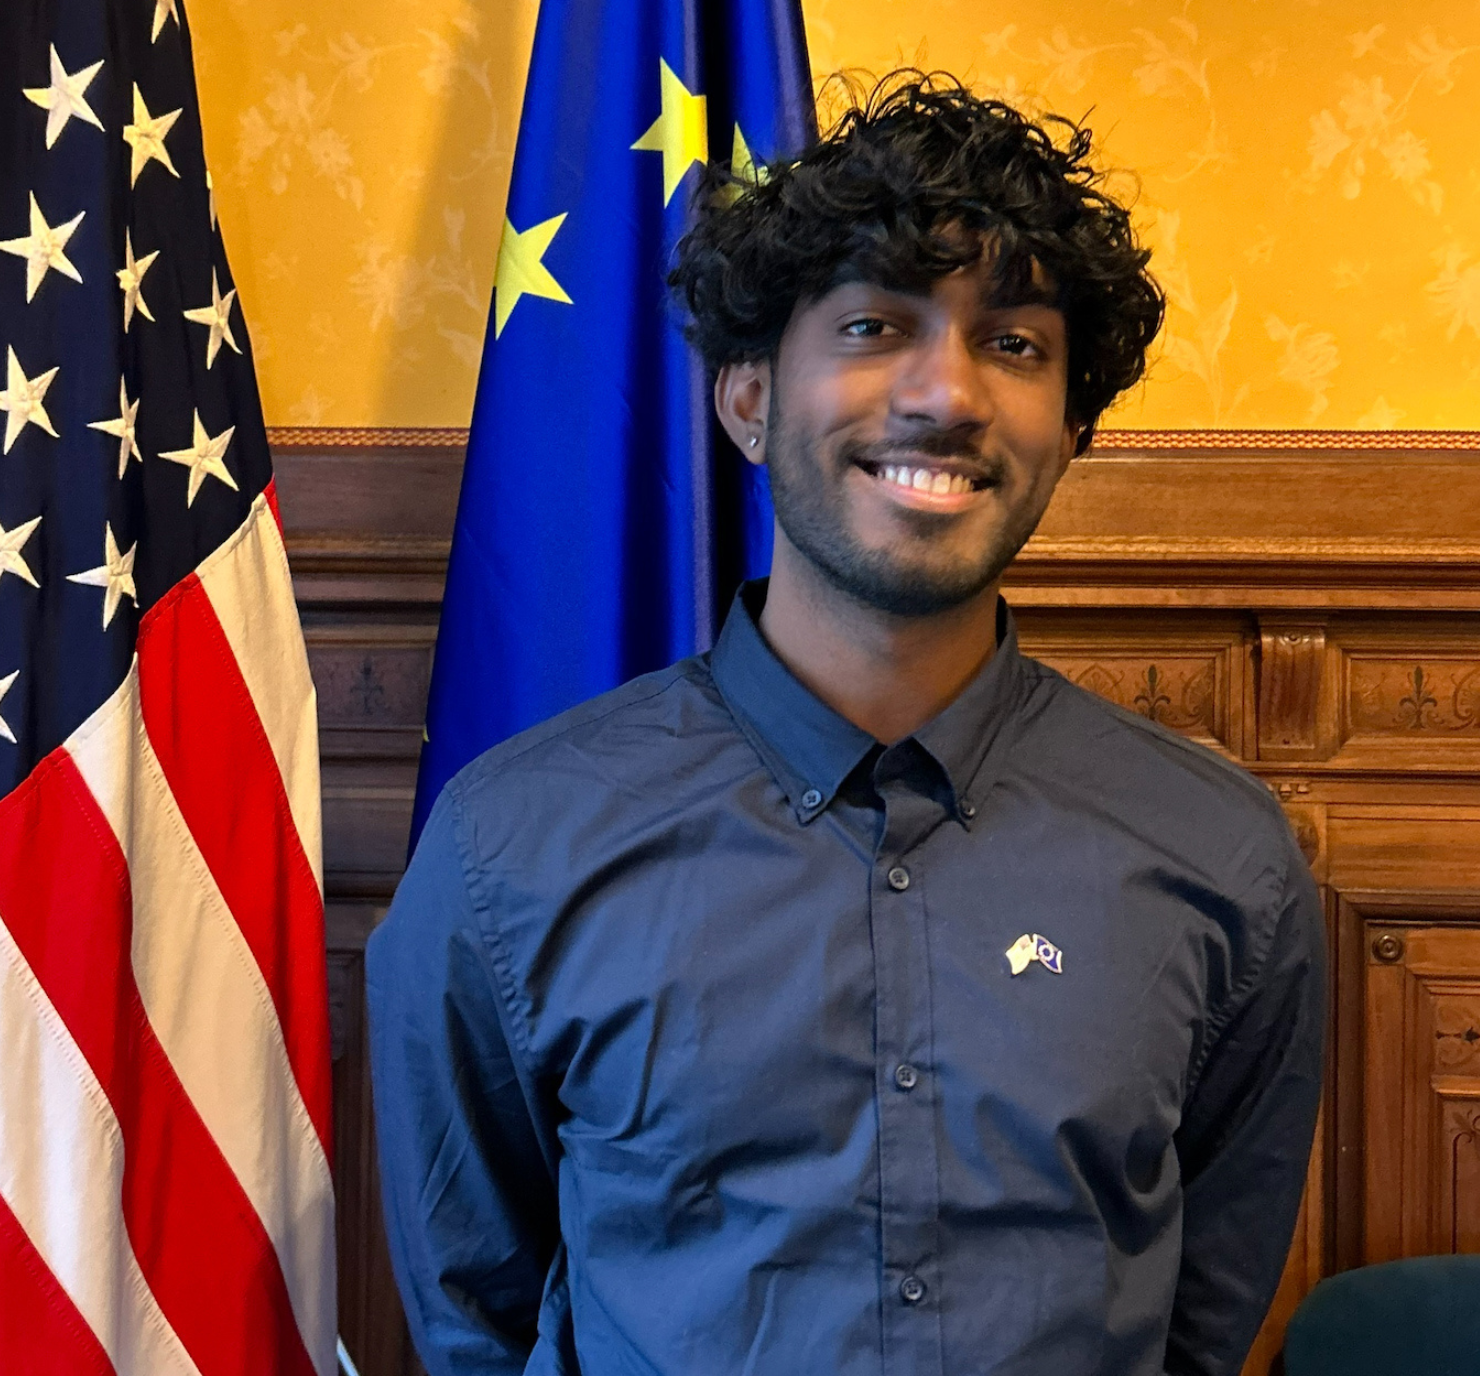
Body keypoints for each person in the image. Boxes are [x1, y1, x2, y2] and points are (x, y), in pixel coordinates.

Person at [367, 71, 1325, 1376]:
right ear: (749, 398)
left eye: (1017, 344)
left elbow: (1201, 1315)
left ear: (1067, 428)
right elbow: (474, 1314)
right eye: (875, 326)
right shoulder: (509, 850)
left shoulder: (1225, 860)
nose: (948, 393)